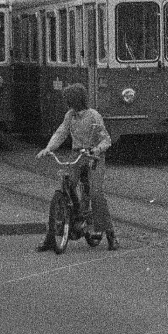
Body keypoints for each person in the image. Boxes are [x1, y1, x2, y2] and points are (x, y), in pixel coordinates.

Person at [36, 84, 114, 251]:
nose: (68, 103)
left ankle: (110, 234)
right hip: (77, 154)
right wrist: (49, 148)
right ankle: (52, 237)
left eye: (69, 100)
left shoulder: (94, 116)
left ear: (76, 100)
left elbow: (106, 140)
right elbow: (61, 132)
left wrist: (96, 149)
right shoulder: (70, 116)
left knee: (96, 193)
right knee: (67, 185)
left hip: (94, 156)